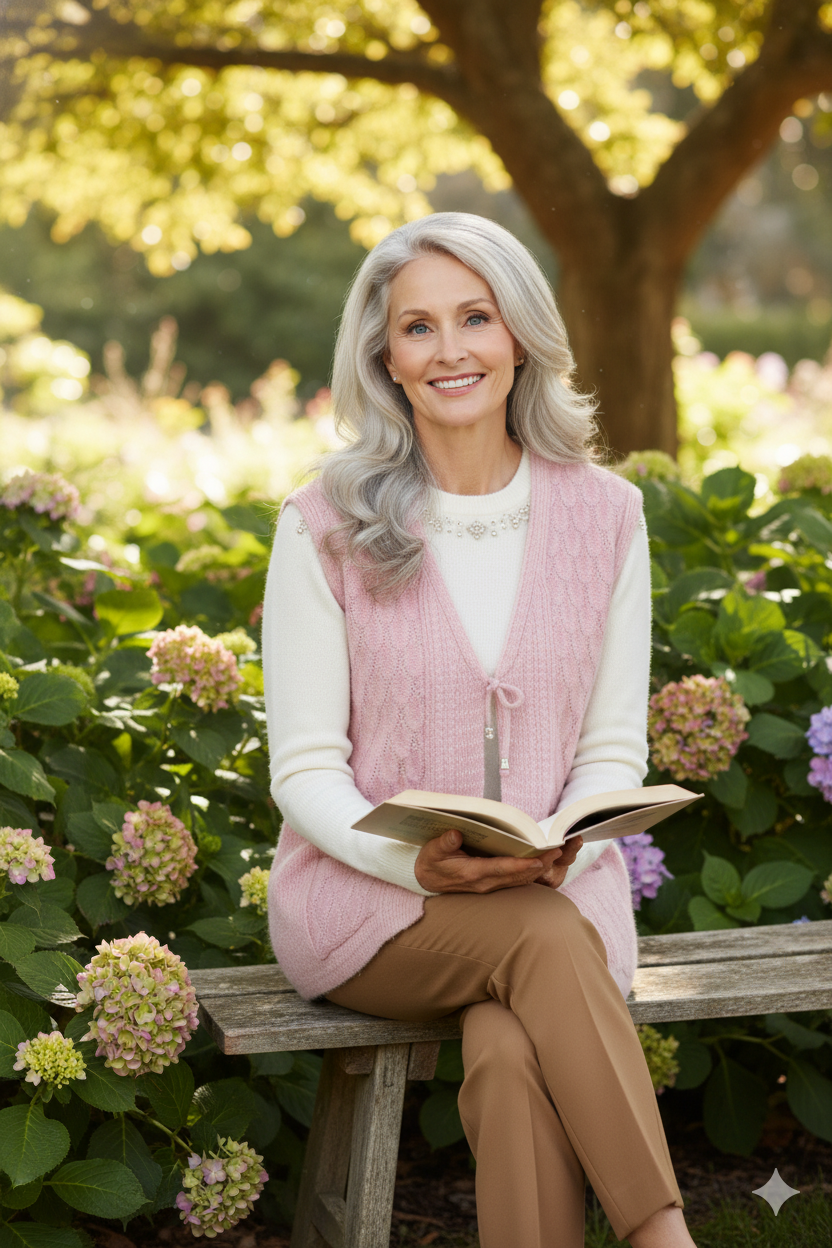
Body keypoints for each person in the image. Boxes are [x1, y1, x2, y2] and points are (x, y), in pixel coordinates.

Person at [262, 212, 696, 1248]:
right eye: (418, 327)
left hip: (558, 892)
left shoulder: (607, 514)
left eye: (475, 317)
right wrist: (421, 869)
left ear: (519, 338)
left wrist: (569, 839)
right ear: (385, 358)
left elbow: (609, 747)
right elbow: (306, 770)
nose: (450, 349)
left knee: (507, 1046)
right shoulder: (322, 523)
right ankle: (664, 1237)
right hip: (369, 909)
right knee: (541, 945)